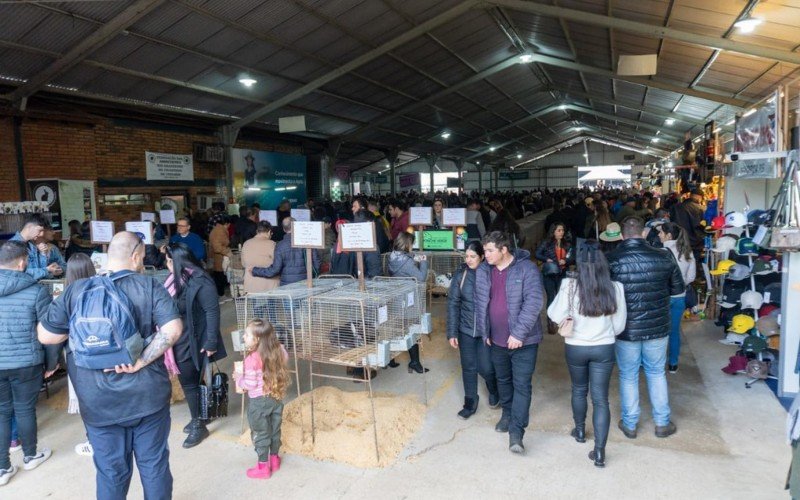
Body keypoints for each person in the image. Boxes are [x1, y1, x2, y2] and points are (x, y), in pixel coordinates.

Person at [38, 231, 183, 499]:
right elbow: (173, 330)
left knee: (110, 472)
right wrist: (140, 360)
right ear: (137, 255)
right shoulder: (150, 286)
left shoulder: (77, 290)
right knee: (154, 466)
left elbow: (46, 336)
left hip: (97, 399)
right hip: (146, 396)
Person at [547, 240, 627, 468]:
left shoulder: (569, 286)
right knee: (601, 399)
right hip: (604, 347)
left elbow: (553, 314)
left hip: (576, 347)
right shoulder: (616, 287)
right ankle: (600, 452)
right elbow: (619, 326)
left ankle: (580, 430)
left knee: (579, 389)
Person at [606, 217, 684, 440]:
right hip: (658, 326)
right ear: (643, 234)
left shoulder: (611, 259)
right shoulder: (664, 256)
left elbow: (604, 295)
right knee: (656, 372)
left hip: (625, 329)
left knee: (628, 375)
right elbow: (677, 288)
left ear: (622, 235)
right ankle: (662, 423)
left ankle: (630, 424)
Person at [475, 231, 544, 455]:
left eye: (489, 251)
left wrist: (519, 333)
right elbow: (481, 302)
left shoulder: (527, 269)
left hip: (524, 341)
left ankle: (517, 432)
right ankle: (507, 413)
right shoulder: (485, 270)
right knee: (503, 379)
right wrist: (485, 330)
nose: (485, 255)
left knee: (521, 384)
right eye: (484, 251)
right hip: (496, 338)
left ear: (504, 250)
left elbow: (534, 302)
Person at [0, 241, 59, 486]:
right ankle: (30, 455)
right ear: (23, 263)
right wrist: (52, 362)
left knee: (2, 411)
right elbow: (49, 330)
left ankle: (3, 468)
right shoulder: (36, 291)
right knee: (24, 408)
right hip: (27, 361)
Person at [164, 243, 226, 448]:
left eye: (168, 260)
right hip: (181, 338)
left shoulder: (200, 280)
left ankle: (200, 425)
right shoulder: (176, 279)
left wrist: (211, 342)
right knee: (190, 382)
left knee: (191, 383)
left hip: (194, 340)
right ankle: (199, 416)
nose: (166, 264)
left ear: (176, 261)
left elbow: (212, 311)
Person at [447, 241, 499, 419]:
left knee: (487, 368)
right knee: (468, 367)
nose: (469, 260)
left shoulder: (492, 274)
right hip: (465, 329)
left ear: (482, 257)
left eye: (473, 256)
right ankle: (470, 403)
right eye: (466, 256)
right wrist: (452, 332)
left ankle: (494, 389)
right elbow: (453, 304)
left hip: (486, 331)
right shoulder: (460, 275)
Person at [233, 319, 289, 480]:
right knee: (274, 429)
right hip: (276, 397)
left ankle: (263, 467)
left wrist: (239, 377)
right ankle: (275, 459)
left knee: (261, 433)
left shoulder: (251, 361)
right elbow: (285, 356)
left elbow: (249, 385)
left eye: (246, 335)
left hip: (259, 402)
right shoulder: (277, 351)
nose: (243, 337)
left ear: (257, 340)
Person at [63, 253, 97, 458]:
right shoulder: (102, 290)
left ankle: (93, 440)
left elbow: (55, 333)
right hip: (102, 352)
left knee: (85, 398)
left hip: (76, 355)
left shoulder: (65, 297)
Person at [388, 232, 430, 374]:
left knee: (397, 328)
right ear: (407, 244)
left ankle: (390, 358)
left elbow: (405, 259)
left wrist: (412, 256)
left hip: (396, 298)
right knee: (413, 329)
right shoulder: (407, 262)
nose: (413, 246)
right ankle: (414, 362)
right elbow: (421, 277)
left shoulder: (393, 256)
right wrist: (423, 261)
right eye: (412, 244)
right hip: (408, 300)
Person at [658, 222, 696, 373]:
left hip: (663, 297)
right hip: (680, 297)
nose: (659, 235)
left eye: (661, 232)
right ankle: (673, 364)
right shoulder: (688, 252)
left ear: (669, 235)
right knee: (674, 331)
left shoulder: (661, 252)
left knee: (659, 332)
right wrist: (680, 283)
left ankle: (657, 363)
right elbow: (691, 277)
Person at [252, 218, 320, 286]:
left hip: (287, 286)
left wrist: (255, 271)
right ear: (296, 227)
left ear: (284, 229)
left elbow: (275, 270)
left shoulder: (280, 245)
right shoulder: (308, 241)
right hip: (306, 283)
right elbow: (317, 264)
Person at [10, 216, 63, 281]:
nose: (41, 234)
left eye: (43, 231)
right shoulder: (12, 246)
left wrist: (43, 254)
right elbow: (19, 274)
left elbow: (40, 270)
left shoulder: (31, 245)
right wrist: (47, 270)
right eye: (40, 230)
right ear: (29, 227)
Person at [535, 222, 573, 309]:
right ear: (553, 231)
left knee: (561, 298)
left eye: (563, 230)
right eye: (559, 230)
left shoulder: (567, 244)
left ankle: (559, 319)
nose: (561, 232)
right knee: (551, 298)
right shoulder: (546, 242)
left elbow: (571, 258)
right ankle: (550, 321)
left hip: (562, 274)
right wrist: (546, 259)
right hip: (550, 275)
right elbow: (537, 254)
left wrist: (566, 261)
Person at [241, 221, 280, 294]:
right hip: (268, 285)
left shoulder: (246, 243)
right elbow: (277, 264)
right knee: (271, 305)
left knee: (253, 305)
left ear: (257, 231)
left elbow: (243, 263)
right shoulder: (271, 244)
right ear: (269, 232)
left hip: (250, 285)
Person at [669, 188, 706, 264]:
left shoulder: (675, 207)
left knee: (680, 261)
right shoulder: (699, 209)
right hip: (694, 242)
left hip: (678, 238)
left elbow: (671, 222)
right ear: (699, 197)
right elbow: (700, 226)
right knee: (693, 262)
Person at [209, 215, 232, 296]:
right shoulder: (219, 231)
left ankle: (221, 293)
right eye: (229, 225)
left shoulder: (219, 229)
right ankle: (220, 295)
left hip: (219, 258)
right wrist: (227, 252)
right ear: (226, 223)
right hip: (219, 258)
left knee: (220, 277)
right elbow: (217, 247)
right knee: (219, 277)